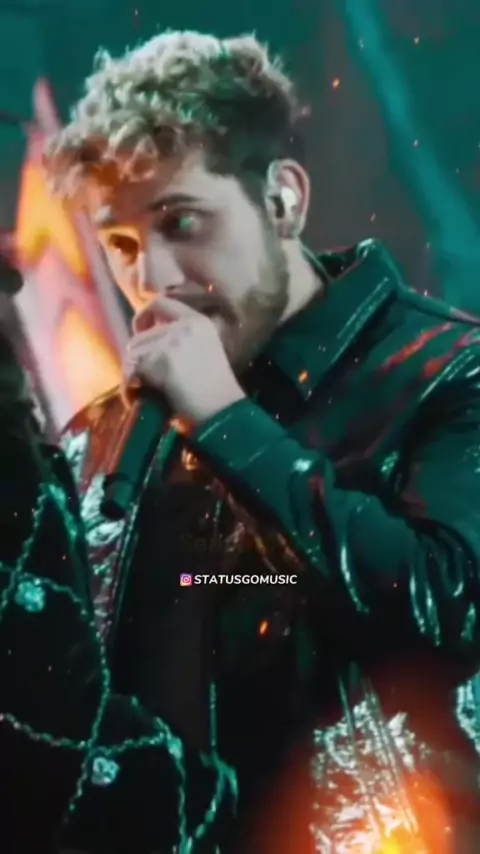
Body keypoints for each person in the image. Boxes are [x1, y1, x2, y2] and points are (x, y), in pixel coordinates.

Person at [44, 30, 480, 853]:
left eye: (182, 222)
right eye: (124, 246)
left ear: (281, 200)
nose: (154, 281)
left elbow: (444, 604)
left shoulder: (449, 373)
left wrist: (226, 422)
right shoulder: (110, 433)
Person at [0, 323, 235, 852]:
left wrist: (238, 428)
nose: (151, 285)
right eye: (122, 251)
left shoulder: (417, 372)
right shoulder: (99, 436)